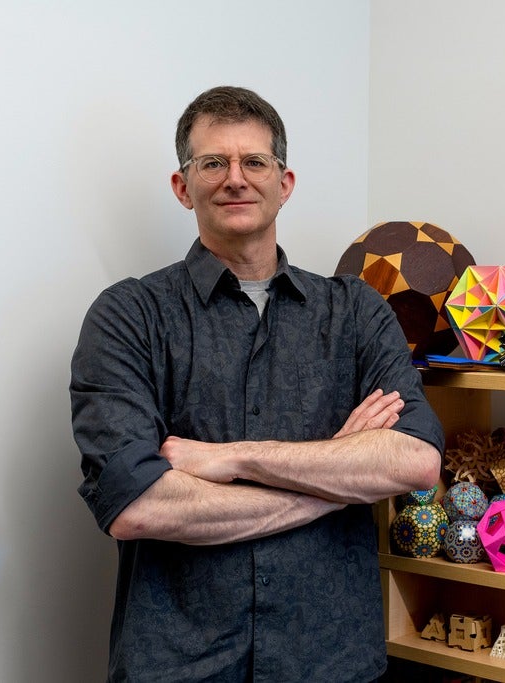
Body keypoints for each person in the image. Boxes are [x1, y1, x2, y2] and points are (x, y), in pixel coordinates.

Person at [70, 85, 444, 682]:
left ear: (284, 183)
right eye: (213, 163)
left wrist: (231, 458)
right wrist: (338, 481)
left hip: (330, 663)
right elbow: (138, 505)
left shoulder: (356, 312)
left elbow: (415, 461)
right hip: (177, 666)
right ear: (182, 186)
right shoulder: (128, 316)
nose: (235, 179)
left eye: (254, 162)